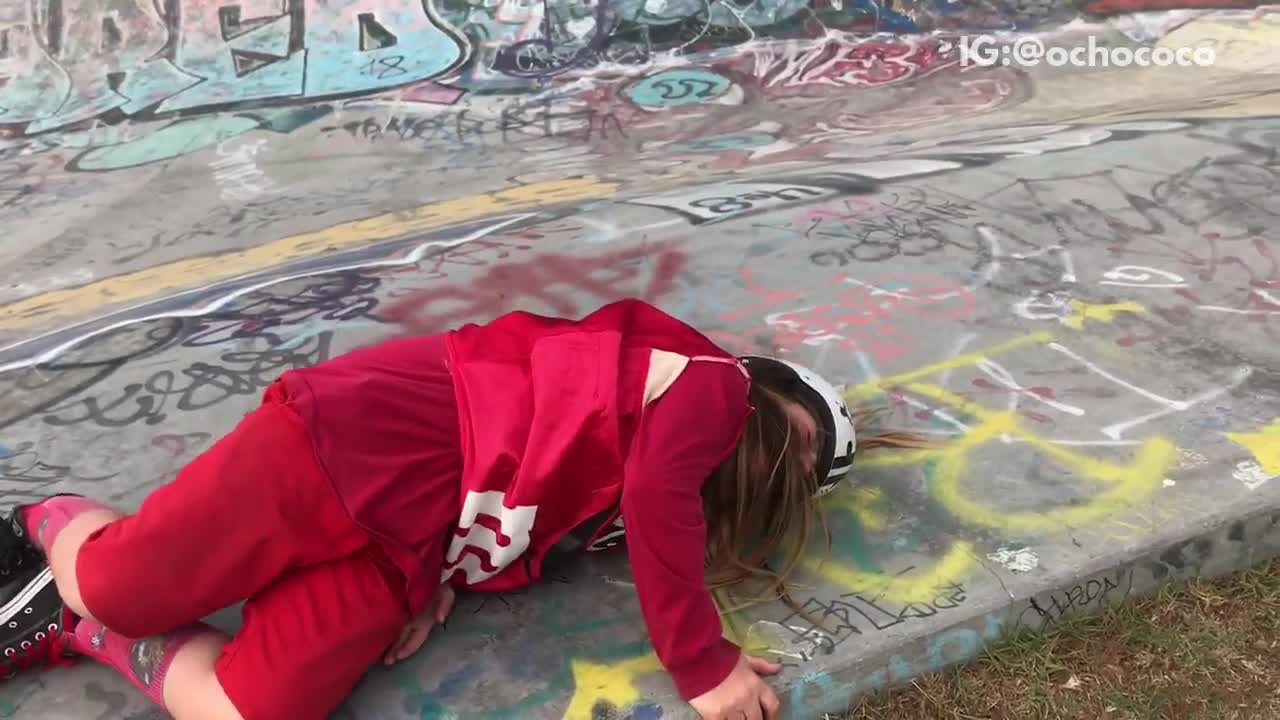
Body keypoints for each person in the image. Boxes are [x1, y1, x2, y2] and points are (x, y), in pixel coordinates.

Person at [0, 298, 926, 720]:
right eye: (800, 435)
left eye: (806, 471)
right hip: (352, 446)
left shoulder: (617, 515)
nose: (786, 460)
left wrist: (440, 583)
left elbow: (521, 513)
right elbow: (655, 499)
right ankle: (45, 520)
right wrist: (706, 663)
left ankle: (72, 627)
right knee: (119, 583)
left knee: (255, 706)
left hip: (408, 547)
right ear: (765, 389)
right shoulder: (707, 386)